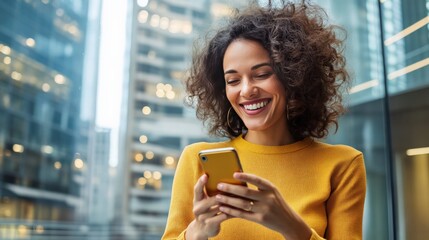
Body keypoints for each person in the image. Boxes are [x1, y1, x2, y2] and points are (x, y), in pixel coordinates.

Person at [162, 1, 366, 239]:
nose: (247, 90)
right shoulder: (195, 159)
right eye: (233, 80)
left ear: (294, 77)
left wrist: (292, 226)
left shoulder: (343, 164)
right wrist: (196, 233)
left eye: (262, 74)